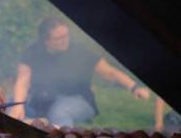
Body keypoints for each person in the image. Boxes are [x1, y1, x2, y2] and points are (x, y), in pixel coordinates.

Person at [9, 18, 150, 126]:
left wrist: (134, 87)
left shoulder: (81, 52)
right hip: (42, 99)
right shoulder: (33, 51)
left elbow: (110, 72)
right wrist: (18, 105)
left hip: (78, 99)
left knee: (58, 112)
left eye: (66, 36)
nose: (65, 40)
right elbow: (23, 80)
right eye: (59, 38)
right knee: (11, 105)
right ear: (46, 40)